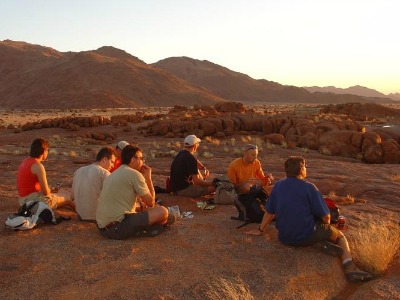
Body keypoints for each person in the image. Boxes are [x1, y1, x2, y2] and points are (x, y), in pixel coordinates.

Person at [247, 156, 373, 283]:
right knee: (340, 236)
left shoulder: (278, 186)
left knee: (307, 227)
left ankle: (316, 242)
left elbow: (269, 212)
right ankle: (349, 267)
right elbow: (326, 217)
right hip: (306, 234)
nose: (306, 169)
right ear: (301, 170)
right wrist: (325, 226)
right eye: (305, 167)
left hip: (284, 237)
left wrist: (260, 230)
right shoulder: (309, 188)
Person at [96, 145, 169, 239]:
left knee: (143, 210)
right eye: (141, 158)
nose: (143, 162)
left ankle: (151, 225)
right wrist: (148, 178)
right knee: (163, 212)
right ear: (133, 160)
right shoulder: (135, 174)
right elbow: (151, 203)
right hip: (118, 228)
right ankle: (146, 228)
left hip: (103, 228)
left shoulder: (114, 173)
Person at [17, 138, 75, 210]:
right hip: (34, 202)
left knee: (61, 191)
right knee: (68, 198)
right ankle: (82, 212)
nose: (47, 152)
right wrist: (50, 190)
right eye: (47, 150)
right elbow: (46, 192)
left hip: (23, 200)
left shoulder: (25, 161)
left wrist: (52, 190)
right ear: (43, 151)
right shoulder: (38, 166)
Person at [70, 147, 116, 222]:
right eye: (112, 162)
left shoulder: (78, 171)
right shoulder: (104, 173)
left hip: (80, 216)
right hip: (97, 217)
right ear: (104, 159)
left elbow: (71, 197)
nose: (113, 166)